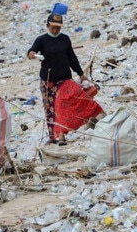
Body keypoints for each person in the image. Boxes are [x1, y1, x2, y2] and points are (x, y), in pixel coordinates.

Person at [27, 12, 93, 145]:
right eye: (53, 27)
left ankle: (62, 135)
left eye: (58, 27)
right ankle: (53, 136)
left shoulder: (65, 39)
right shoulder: (42, 40)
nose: (56, 30)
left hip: (64, 79)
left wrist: (80, 73)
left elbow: (72, 58)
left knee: (63, 106)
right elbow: (31, 52)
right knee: (50, 108)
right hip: (48, 80)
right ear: (47, 25)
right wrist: (32, 54)